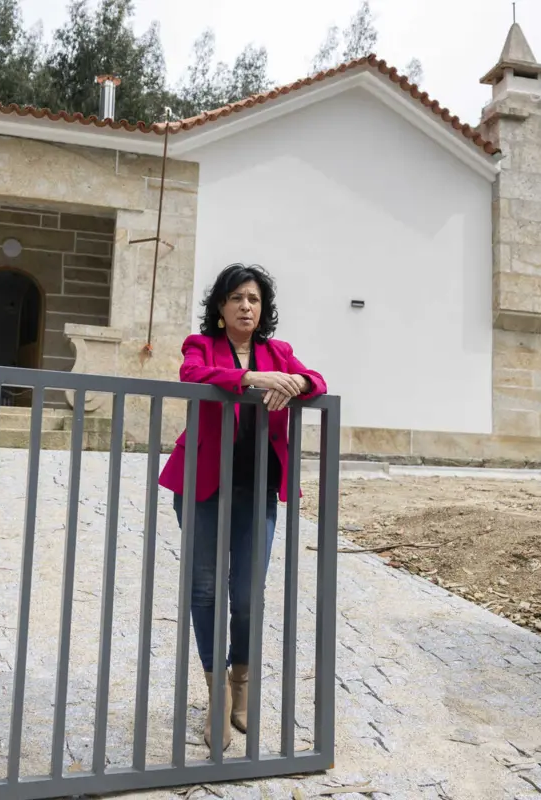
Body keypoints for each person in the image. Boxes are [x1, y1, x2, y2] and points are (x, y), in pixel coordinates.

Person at [158, 263, 327, 752]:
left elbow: (315, 377)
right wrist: (254, 376)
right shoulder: (201, 346)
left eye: (253, 299)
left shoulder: (282, 352)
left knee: (248, 593)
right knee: (206, 588)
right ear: (220, 307)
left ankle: (242, 685)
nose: (245, 307)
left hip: (258, 487)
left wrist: (297, 384)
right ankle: (214, 695)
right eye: (236, 299)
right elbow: (193, 374)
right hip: (204, 485)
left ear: (263, 307)